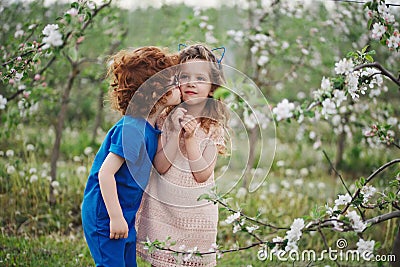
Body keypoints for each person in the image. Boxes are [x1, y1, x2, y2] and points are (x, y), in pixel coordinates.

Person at [81, 46, 181, 267]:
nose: (179, 85)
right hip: (105, 215)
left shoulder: (149, 125)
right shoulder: (133, 128)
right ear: (157, 91)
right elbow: (105, 174)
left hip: (124, 213)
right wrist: (115, 217)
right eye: (173, 81)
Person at [136, 44, 229, 267]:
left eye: (200, 78)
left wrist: (190, 140)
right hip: (165, 211)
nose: (191, 82)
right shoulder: (166, 118)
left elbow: (202, 174)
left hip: (196, 216)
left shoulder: (212, 127)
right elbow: (160, 165)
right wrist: (176, 132)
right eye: (184, 75)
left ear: (212, 87)